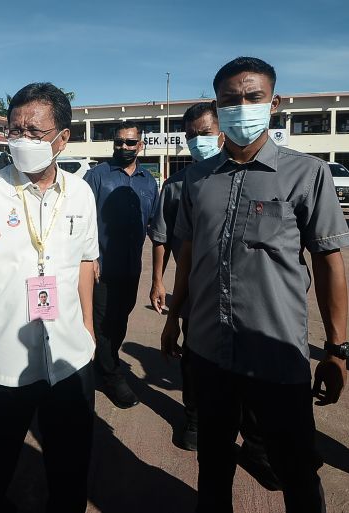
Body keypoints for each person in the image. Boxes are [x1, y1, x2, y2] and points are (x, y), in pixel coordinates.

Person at [162, 57, 349, 513]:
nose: (242, 106)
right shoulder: (196, 180)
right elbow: (188, 252)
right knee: (213, 463)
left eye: (253, 97)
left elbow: (329, 261)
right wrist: (173, 317)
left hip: (276, 355)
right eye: (230, 99)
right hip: (209, 351)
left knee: (295, 469)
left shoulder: (307, 174)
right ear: (217, 105)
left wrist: (336, 349)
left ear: (274, 103)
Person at [0, 82, 98, 513]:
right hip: (4, 360)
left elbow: (86, 262)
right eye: (14, 130)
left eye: (34, 131)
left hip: (70, 355)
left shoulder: (82, 193)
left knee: (70, 470)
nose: (22, 139)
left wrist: (88, 328)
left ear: (62, 138)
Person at [149, 101, 223, 450]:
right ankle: (193, 418)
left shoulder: (242, 177)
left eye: (204, 133)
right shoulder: (177, 185)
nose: (197, 142)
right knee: (194, 359)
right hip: (193, 291)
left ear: (221, 133)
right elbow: (161, 238)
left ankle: (254, 440)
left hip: (242, 295)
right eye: (191, 136)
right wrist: (158, 280)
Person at [84, 120, 158, 409]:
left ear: (140, 145)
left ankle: (105, 362)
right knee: (103, 323)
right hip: (101, 269)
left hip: (131, 268)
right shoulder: (97, 176)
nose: (123, 147)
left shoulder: (148, 181)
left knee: (121, 320)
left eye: (129, 142)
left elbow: (153, 224)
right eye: (119, 142)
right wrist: (89, 258)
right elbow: (81, 220)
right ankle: (110, 374)